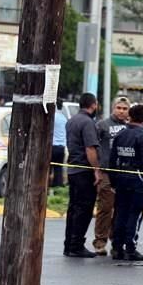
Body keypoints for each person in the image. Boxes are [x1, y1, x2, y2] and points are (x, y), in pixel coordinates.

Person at [108, 104, 143, 261]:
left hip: (121, 177)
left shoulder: (121, 135)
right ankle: (130, 247)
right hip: (137, 178)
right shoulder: (142, 136)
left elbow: (112, 159)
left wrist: (113, 180)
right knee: (135, 214)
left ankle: (116, 247)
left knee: (120, 213)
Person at [63, 93, 101, 258]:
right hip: (84, 170)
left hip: (72, 170)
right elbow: (90, 149)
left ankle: (69, 244)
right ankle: (77, 245)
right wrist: (97, 170)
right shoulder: (88, 123)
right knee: (84, 209)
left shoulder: (71, 121)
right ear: (93, 105)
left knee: (73, 208)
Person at [93, 96, 130, 256]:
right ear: (113, 108)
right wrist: (96, 169)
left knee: (121, 209)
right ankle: (100, 242)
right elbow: (93, 146)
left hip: (124, 173)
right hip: (106, 172)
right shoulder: (102, 125)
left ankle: (116, 241)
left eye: (125, 108)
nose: (121, 111)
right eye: (119, 108)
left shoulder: (130, 128)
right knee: (105, 207)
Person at [51, 99, 67, 189]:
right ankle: (58, 187)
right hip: (61, 147)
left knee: (48, 168)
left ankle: (48, 187)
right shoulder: (64, 118)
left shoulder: (53, 117)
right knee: (58, 169)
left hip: (52, 146)